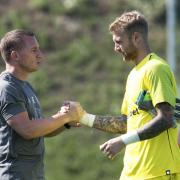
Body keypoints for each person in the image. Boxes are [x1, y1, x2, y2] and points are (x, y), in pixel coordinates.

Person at [61, 10, 180, 180]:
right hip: (133, 173)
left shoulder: (156, 68)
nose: (116, 48)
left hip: (158, 170)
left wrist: (123, 141)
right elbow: (126, 123)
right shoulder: (133, 75)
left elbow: (166, 119)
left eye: (119, 42)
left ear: (136, 38)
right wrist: (82, 117)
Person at [0, 29, 83, 180]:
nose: (40, 55)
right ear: (15, 55)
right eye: (34, 50)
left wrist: (65, 122)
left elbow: (41, 131)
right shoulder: (7, 88)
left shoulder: (26, 87)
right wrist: (64, 116)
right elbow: (28, 130)